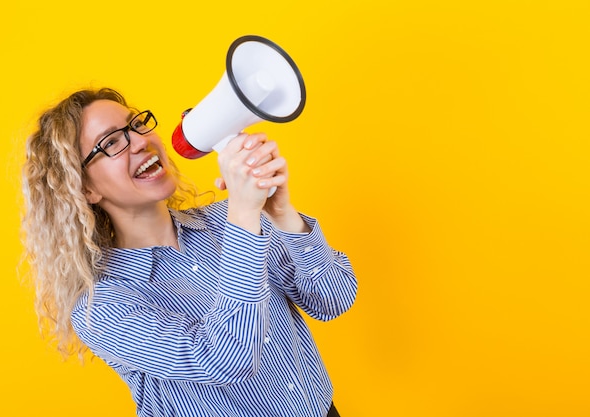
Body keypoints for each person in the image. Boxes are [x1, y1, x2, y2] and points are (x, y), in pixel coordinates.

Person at [22, 87, 358, 417]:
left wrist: (284, 215)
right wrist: (243, 213)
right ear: (85, 188)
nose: (140, 141)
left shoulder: (234, 222)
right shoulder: (101, 307)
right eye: (111, 143)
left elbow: (332, 300)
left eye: (137, 125)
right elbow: (226, 359)